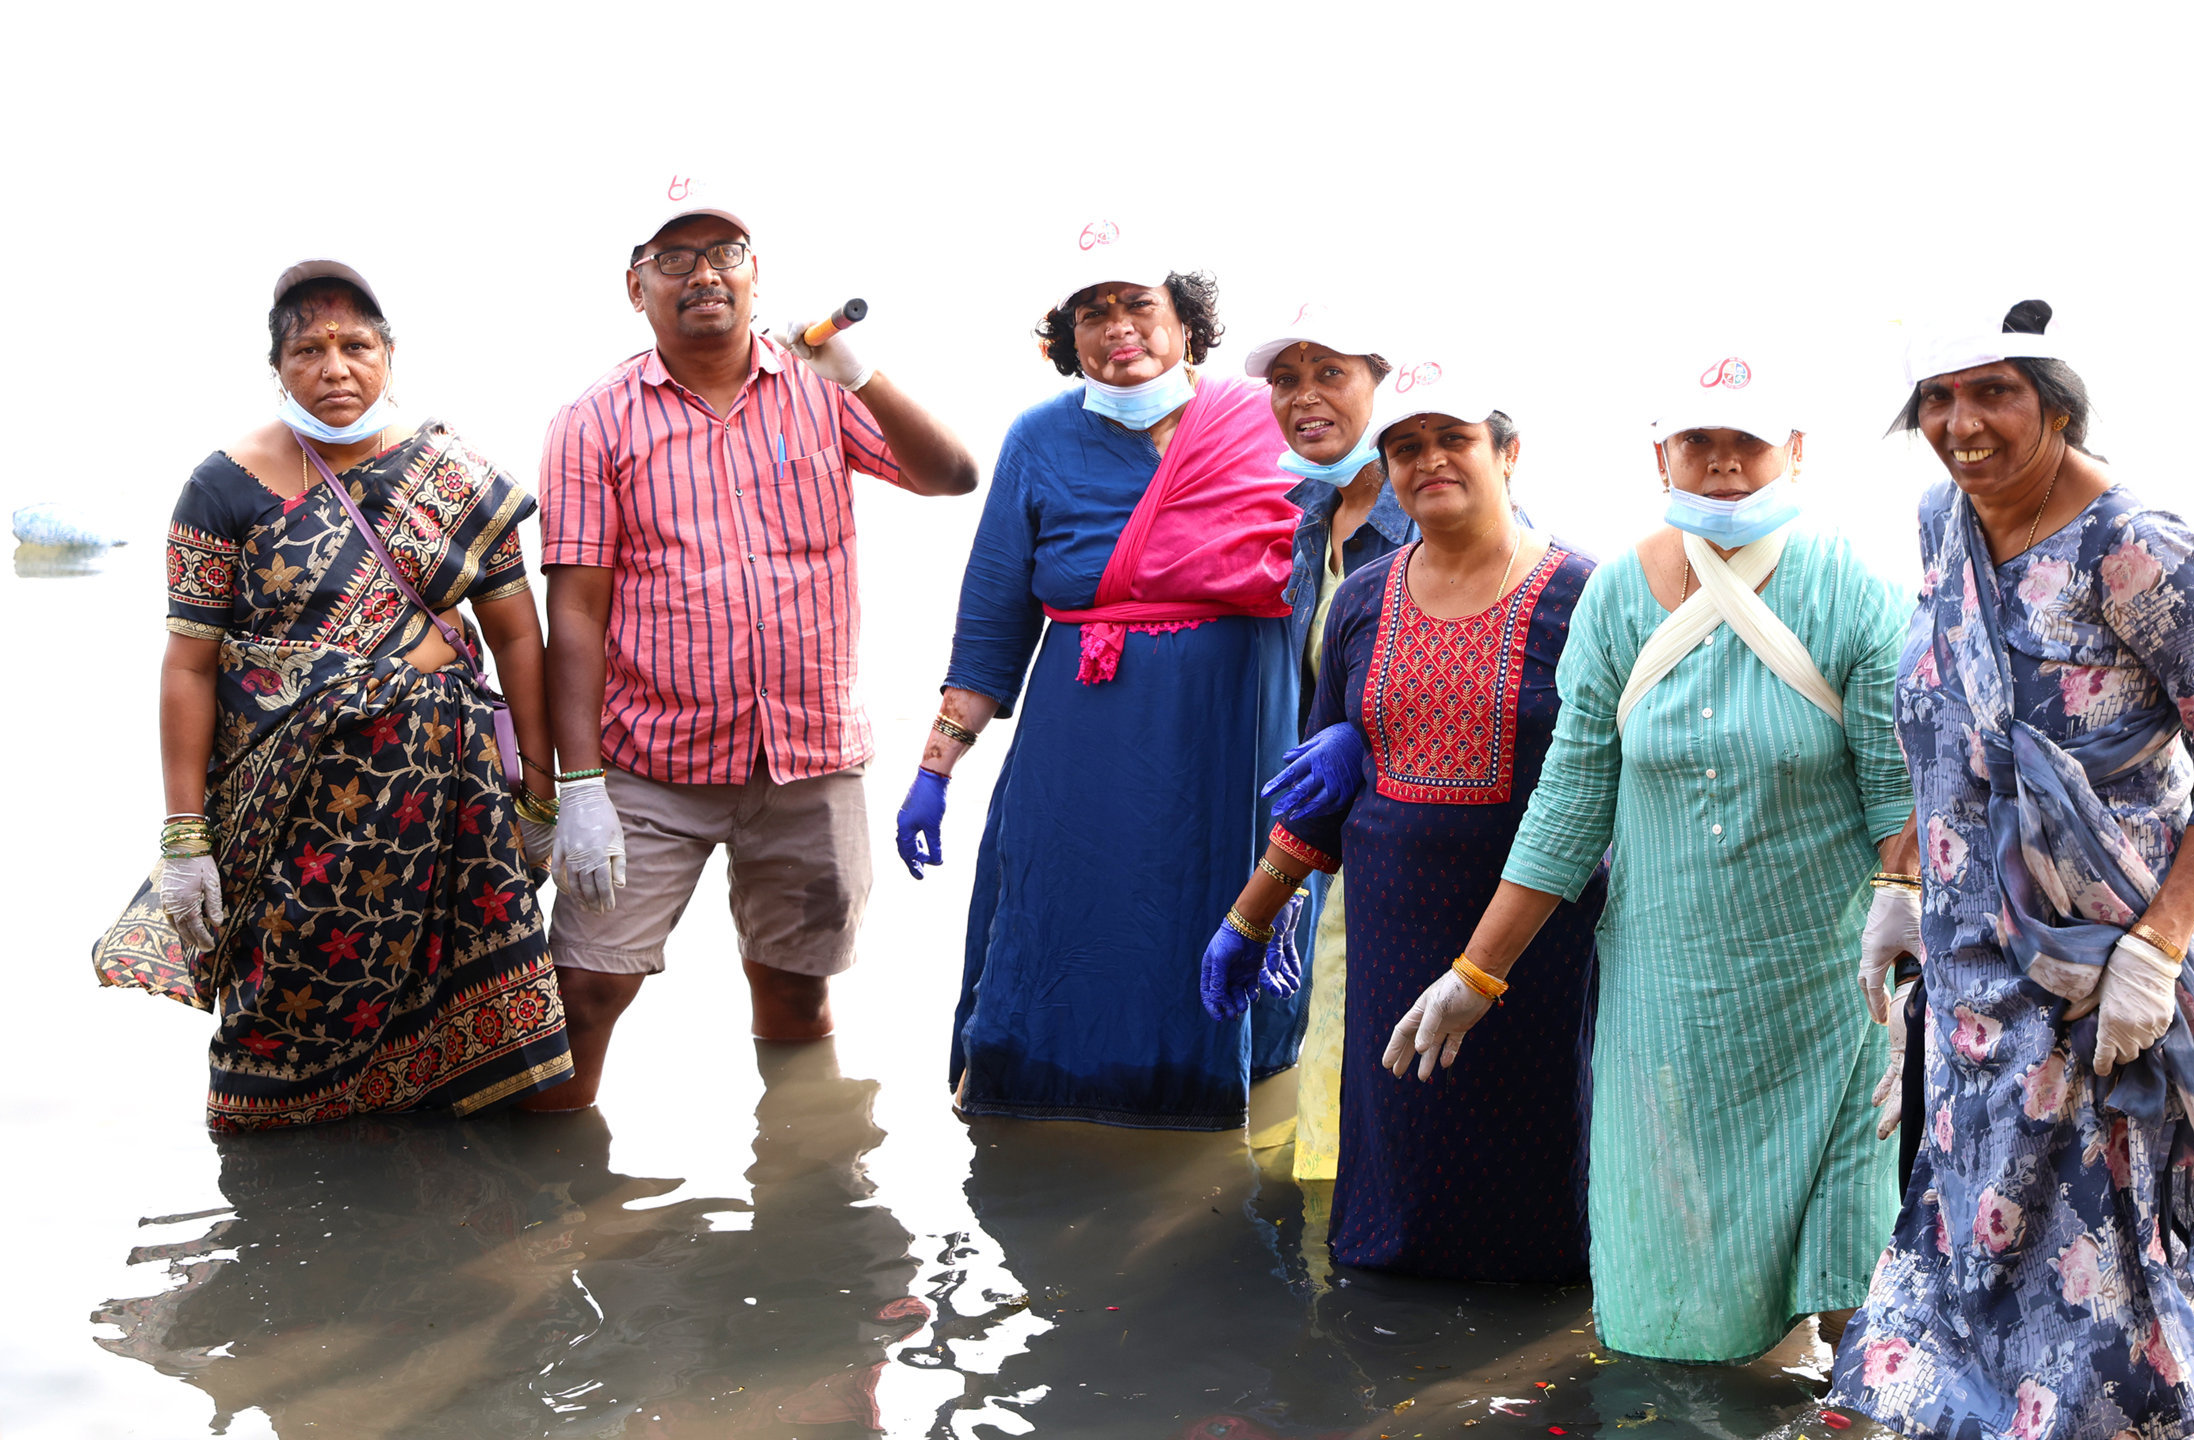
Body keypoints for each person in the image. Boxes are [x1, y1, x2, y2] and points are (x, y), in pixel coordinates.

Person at [1829, 304, 2194, 1439]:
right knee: (1967, 1274)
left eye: (1994, 391)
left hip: (2099, 987)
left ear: (2055, 402)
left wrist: (2158, 948)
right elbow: (1947, 724)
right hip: (1970, 985)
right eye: (1937, 398)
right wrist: (1898, 887)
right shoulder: (1941, 524)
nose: (1962, 424)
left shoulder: (2134, 547)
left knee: (2101, 1309)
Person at [1410, 353, 1914, 1349]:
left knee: (1851, 1273)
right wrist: (1475, 972)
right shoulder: (1612, 600)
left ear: (1795, 453)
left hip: (1828, 989)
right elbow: (1569, 803)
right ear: (1660, 456)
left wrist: (1904, 912)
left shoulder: (1855, 592)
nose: (1721, 463)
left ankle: (1848, 1403)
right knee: (1673, 1284)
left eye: (1746, 443)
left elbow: (1899, 792)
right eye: (1698, 442)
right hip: (1665, 998)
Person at [527, 179, 978, 1111]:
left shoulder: (821, 386)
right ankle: (553, 1190)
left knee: (797, 989)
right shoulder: (592, 419)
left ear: (756, 274)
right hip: (652, 763)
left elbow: (953, 475)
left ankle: (802, 1183)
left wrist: (859, 372)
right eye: (674, 258)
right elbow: (574, 612)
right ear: (636, 286)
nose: (703, 274)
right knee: (585, 990)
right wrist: (579, 788)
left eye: (724, 253)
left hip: (809, 756)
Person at [93, 260, 574, 1129]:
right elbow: (190, 665)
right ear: (276, 367)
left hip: (451, 812)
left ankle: (450, 1189)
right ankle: (274, 1177)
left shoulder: (457, 480)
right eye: (308, 350)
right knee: (279, 1014)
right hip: (292, 821)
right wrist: (184, 836)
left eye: (356, 346)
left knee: (465, 1039)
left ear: (390, 355)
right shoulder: (221, 487)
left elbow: (516, 638)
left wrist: (544, 792)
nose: (335, 368)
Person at [1203, 361, 1604, 1282]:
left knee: (1539, 1190)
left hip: (1536, 943)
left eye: (1453, 440)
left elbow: (1609, 787)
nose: (1430, 461)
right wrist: (1249, 918)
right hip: (1389, 936)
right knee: (1391, 1191)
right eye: (1406, 446)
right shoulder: (1360, 599)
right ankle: (1376, 1323)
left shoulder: (1583, 597)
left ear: (1508, 453)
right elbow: (1316, 804)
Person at [906, 221, 1303, 1129]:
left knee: (1230, 908)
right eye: (1092, 313)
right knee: (1060, 910)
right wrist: (935, 769)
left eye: (1137, 305)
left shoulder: (1270, 418)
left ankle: (1227, 1109)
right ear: (1067, 338)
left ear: (1186, 322)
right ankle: (1037, 1105)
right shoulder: (1039, 438)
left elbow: (1360, 552)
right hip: (1082, 738)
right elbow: (991, 624)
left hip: (1238, 730)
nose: (1118, 326)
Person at [1251, 303, 1415, 1181]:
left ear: (1387, 383)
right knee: (1335, 1070)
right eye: (1285, 379)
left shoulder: (1433, 509)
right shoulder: (1311, 512)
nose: (1303, 397)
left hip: (1422, 847)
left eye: (1330, 374)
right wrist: (1276, 886)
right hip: (1345, 842)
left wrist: (1365, 732)